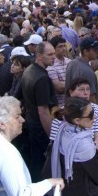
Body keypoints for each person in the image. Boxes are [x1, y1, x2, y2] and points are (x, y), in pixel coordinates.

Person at [0, 96, 64, 196]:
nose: (22, 120)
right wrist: (50, 183)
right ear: (1, 124)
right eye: (17, 116)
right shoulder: (3, 150)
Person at [50, 97, 98, 196]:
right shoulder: (82, 144)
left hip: (69, 190)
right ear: (77, 120)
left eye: (93, 111)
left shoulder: (64, 130)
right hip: (87, 195)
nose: (95, 116)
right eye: (90, 115)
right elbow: (96, 173)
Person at [19, 41, 58, 183]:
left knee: (35, 162)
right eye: (50, 54)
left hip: (31, 123)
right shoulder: (42, 78)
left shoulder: (29, 70)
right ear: (39, 56)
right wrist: (52, 137)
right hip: (40, 128)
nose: (54, 57)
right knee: (41, 165)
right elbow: (43, 111)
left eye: (54, 53)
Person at [47, 36, 71, 106]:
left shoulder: (69, 61)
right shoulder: (51, 64)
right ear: (53, 48)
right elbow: (59, 88)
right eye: (60, 46)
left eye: (64, 46)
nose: (64, 48)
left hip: (71, 103)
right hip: (59, 105)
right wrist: (75, 85)